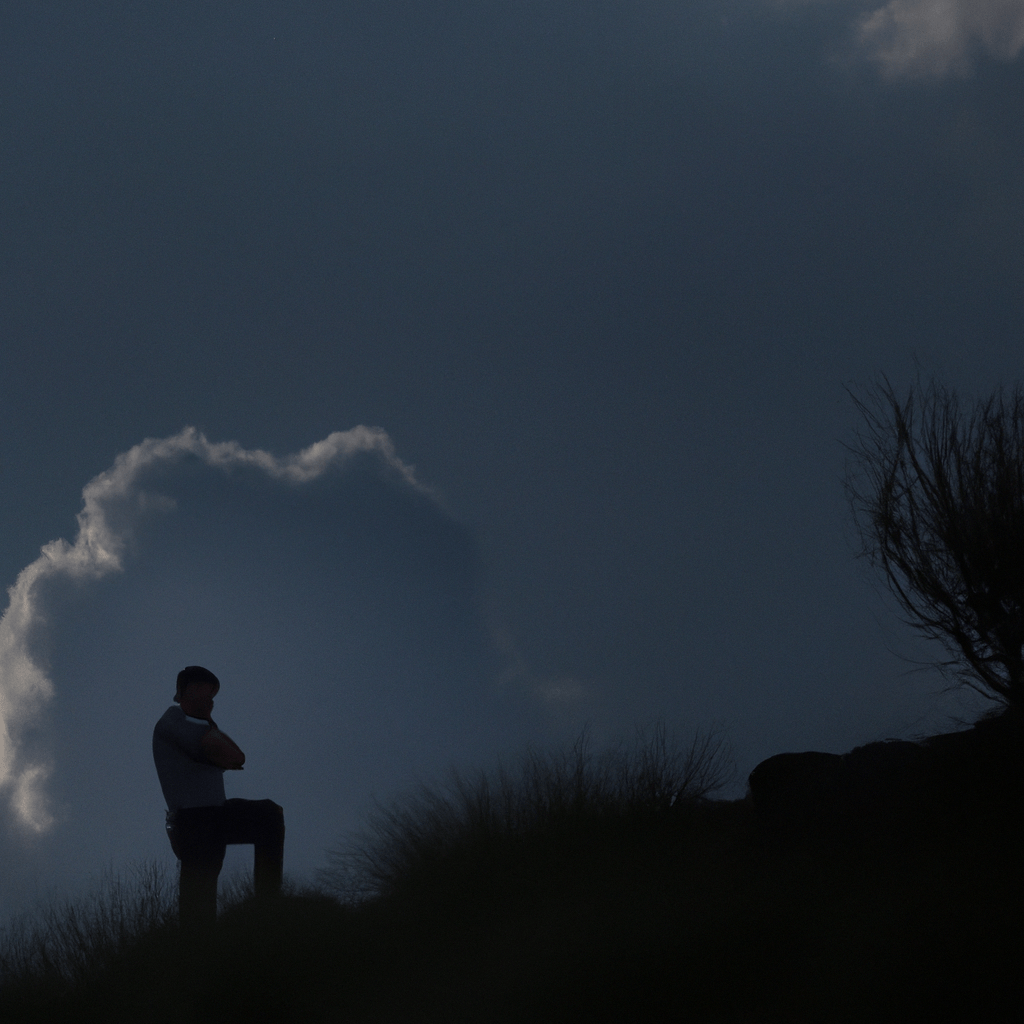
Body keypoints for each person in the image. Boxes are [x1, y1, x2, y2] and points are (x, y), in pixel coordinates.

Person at [153, 665, 285, 928]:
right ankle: (196, 950)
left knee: (269, 815)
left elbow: (231, 756)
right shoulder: (172, 722)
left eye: (210, 696)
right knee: (197, 909)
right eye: (198, 693)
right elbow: (226, 753)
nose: (206, 701)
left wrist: (210, 723)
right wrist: (209, 723)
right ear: (181, 694)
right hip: (194, 821)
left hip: (214, 814)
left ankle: (268, 903)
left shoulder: (201, 725)